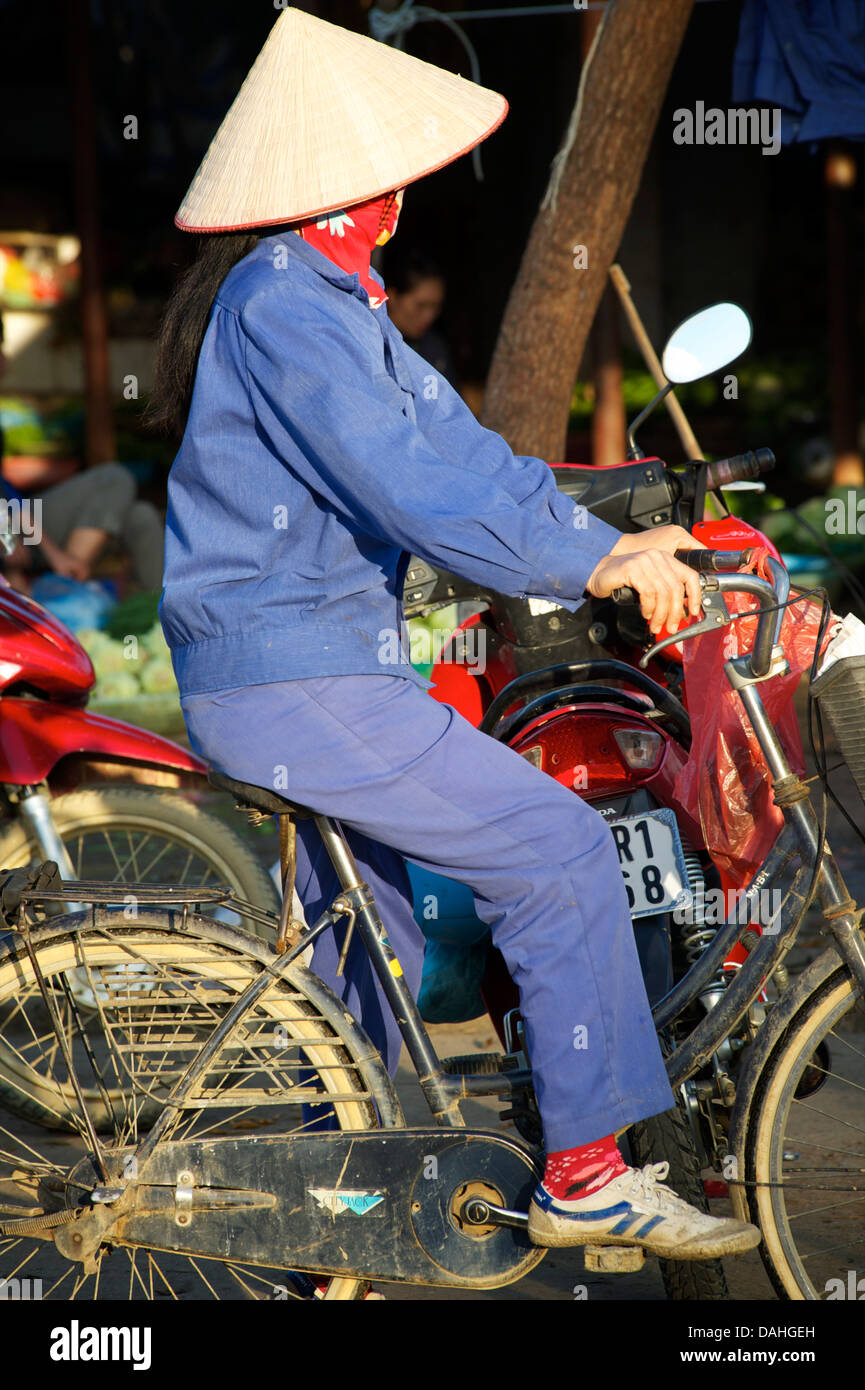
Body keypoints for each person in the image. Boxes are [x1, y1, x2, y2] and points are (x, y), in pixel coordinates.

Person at [153, 8, 760, 1260]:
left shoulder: (335, 296)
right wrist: (596, 558)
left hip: (317, 668)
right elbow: (412, 487)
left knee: (361, 960)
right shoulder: (289, 299)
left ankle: (336, 1217)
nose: (407, 187)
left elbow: (466, 459)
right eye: (391, 165)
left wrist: (614, 529)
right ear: (349, 175)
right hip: (296, 673)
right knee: (553, 849)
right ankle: (586, 1173)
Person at [0, 316, 164, 592]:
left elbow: (6, 493)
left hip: (15, 524)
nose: (5, 358)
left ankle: (159, 621)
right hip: (9, 530)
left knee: (141, 516)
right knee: (114, 477)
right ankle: (64, 587)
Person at [383, 249, 458, 388]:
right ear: (391, 297)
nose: (429, 316)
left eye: (435, 306)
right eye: (421, 305)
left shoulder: (434, 351)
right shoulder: (371, 343)